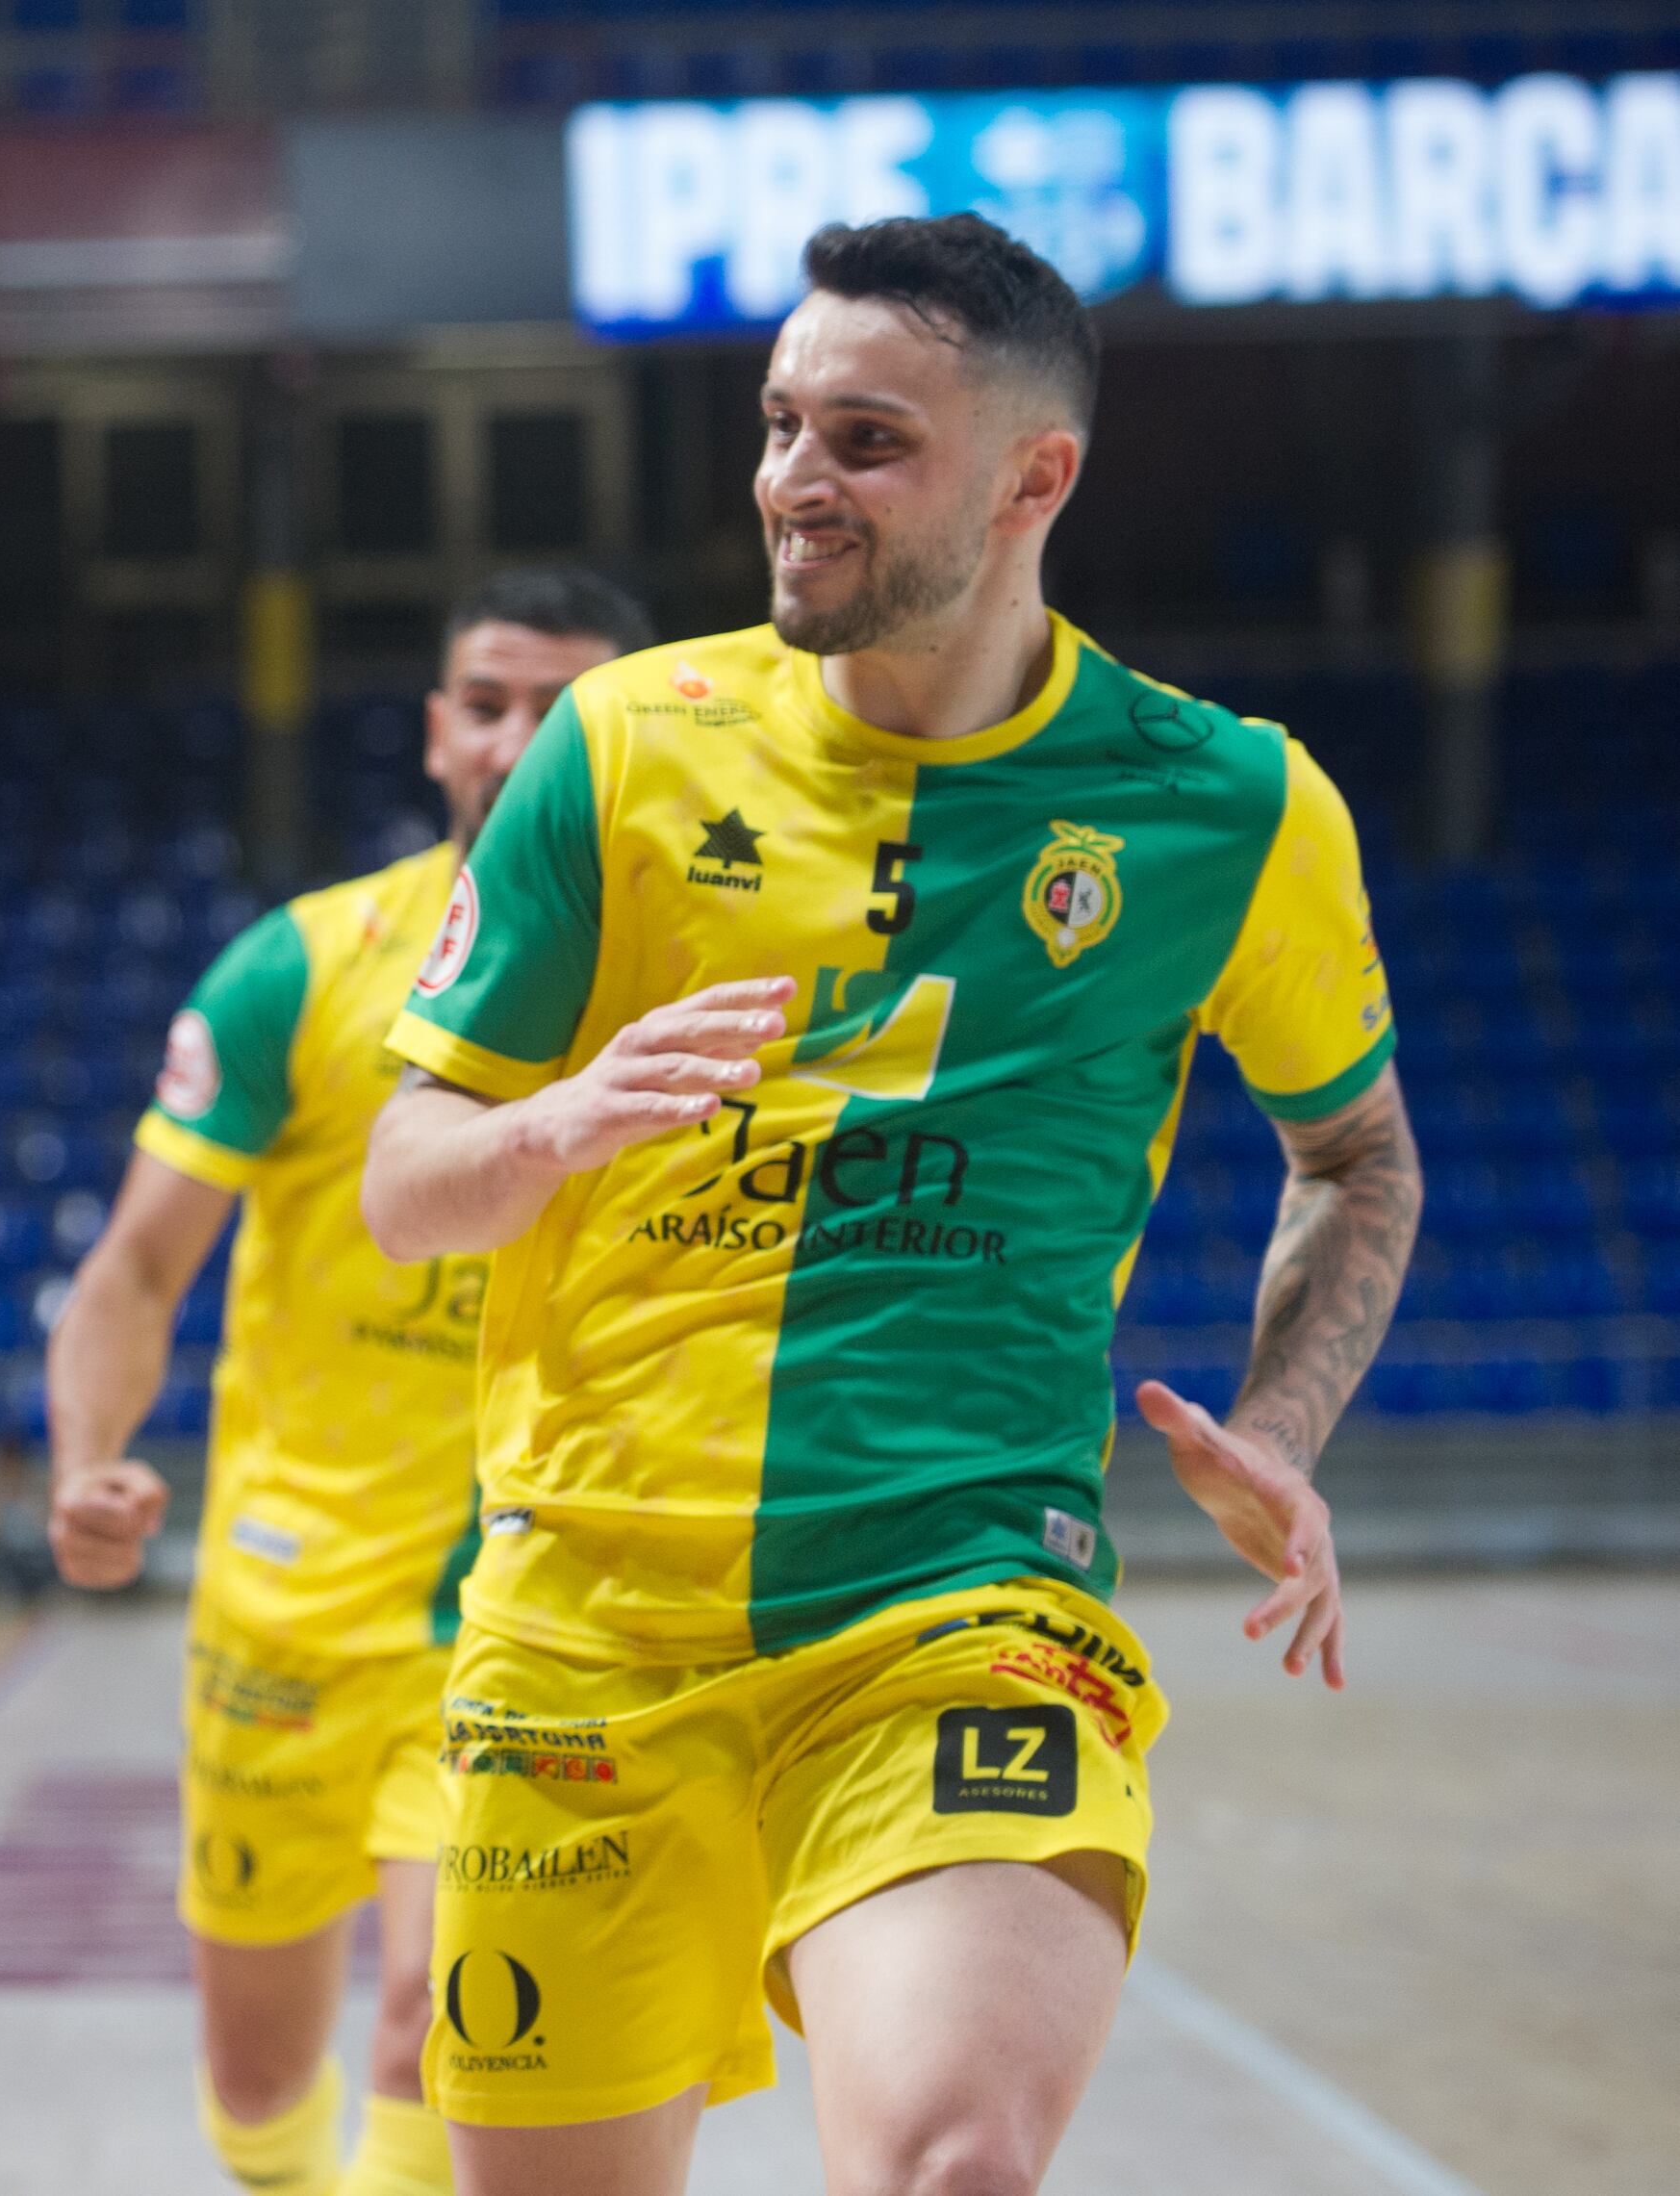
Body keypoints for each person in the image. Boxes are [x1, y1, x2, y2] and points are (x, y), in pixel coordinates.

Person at [361, 213, 1423, 2196]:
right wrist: (551, 1124)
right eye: (777, 425)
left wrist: (1277, 1431)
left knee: (949, 2161)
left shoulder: (1226, 805)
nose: (789, 482)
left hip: (950, 1602)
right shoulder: (618, 747)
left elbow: (1354, 1150)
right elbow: (403, 1189)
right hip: (587, 1628)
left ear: (1037, 478)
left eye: (863, 438)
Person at [46, 569, 651, 2196]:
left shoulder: (678, 993)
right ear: (437, 729)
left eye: (563, 707)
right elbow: (130, 1272)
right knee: (256, 2079)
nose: (518, 739)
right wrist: (85, 1463)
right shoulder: (299, 969)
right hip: (286, 1608)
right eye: (486, 700)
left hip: (517, 1608)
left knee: (429, 2029)